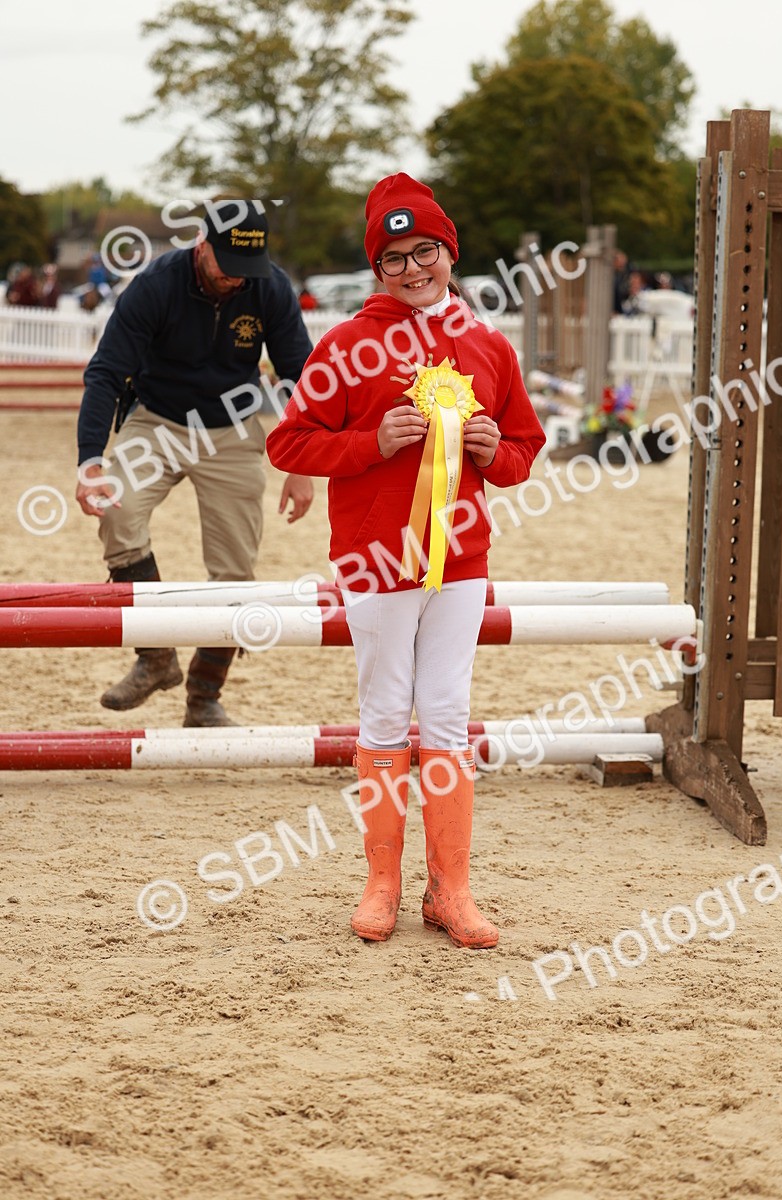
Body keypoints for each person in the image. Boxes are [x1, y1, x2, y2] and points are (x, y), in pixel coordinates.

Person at [267, 174, 545, 949]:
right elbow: (288, 442)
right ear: (377, 269)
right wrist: (368, 444)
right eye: (395, 257)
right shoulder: (348, 344)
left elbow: (525, 444)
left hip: (460, 558)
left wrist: (499, 454)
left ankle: (449, 890)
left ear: (449, 254)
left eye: (426, 250)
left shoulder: (488, 345)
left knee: (448, 716)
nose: (414, 267)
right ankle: (381, 882)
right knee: (387, 713)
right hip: (375, 558)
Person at [76, 200, 314, 726]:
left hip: (233, 427)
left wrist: (302, 464)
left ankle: (204, 696)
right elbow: (106, 372)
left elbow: (300, 373)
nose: (235, 279)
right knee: (117, 511)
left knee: (235, 569)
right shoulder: (154, 285)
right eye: (225, 263)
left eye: (245, 269)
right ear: (201, 245)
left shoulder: (269, 286)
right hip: (156, 419)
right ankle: (156, 657)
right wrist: (90, 460)